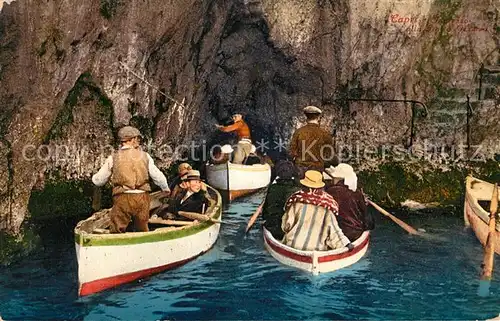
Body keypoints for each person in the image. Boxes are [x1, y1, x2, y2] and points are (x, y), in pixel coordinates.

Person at [92, 126, 170, 233]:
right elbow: (157, 176)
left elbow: (99, 180)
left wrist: (94, 179)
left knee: (117, 228)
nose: (138, 141)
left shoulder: (113, 158)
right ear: (132, 139)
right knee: (142, 227)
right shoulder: (145, 156)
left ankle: (116, 244)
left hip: (122, 198)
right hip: (142, 198)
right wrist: (165, 188)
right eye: (137, 138)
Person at [281, 170, 353, 251]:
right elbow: (334, 232)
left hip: (293, 246)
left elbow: (286, 225)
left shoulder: (295, 200)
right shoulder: (328, 205)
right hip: (318, 249)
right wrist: (347, 244)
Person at [324, 164, 374, 242]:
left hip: (332, 234)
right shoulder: (357, 194)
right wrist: (364, 204)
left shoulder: (327, 192)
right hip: (354, 235)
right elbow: (369, 223)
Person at [288, 106, 337, 177]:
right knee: (315, 186)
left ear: (306, 117)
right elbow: (329, 155)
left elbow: (292, 153)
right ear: (318, 118)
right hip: (317, 169)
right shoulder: (325, 134)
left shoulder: (298, 132)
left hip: (300, 169)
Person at [262, 160, 301, 239]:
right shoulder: (297, 190)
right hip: (289, 229)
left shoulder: (273, 188)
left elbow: (265, 214)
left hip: (273, 227)